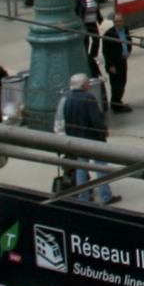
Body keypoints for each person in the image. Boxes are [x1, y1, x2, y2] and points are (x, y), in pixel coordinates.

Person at [59, 73, 109, 204]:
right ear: (83, 85)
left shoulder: (67, 99)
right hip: (93, 139)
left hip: (77, 140)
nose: (88, 85)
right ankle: (106, 196)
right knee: (101, 167)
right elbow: (96, 120)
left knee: (81, 168)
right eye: (87, 83)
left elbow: (66, 121)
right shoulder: (88, 98)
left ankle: (83, 197)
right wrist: (103, 132)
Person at [98, 18, 131, 112]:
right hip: (114, 64)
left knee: (123, 81)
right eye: (116, 21)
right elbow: (106, 52)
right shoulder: (109, 34)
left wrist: (128, 51)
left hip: (122, 60)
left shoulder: (125, 30)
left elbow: (128, 41)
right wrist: (110, 65)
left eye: (120, 21)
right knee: (116, 84)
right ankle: (116, 105)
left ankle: (119, 101)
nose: (119, 23)